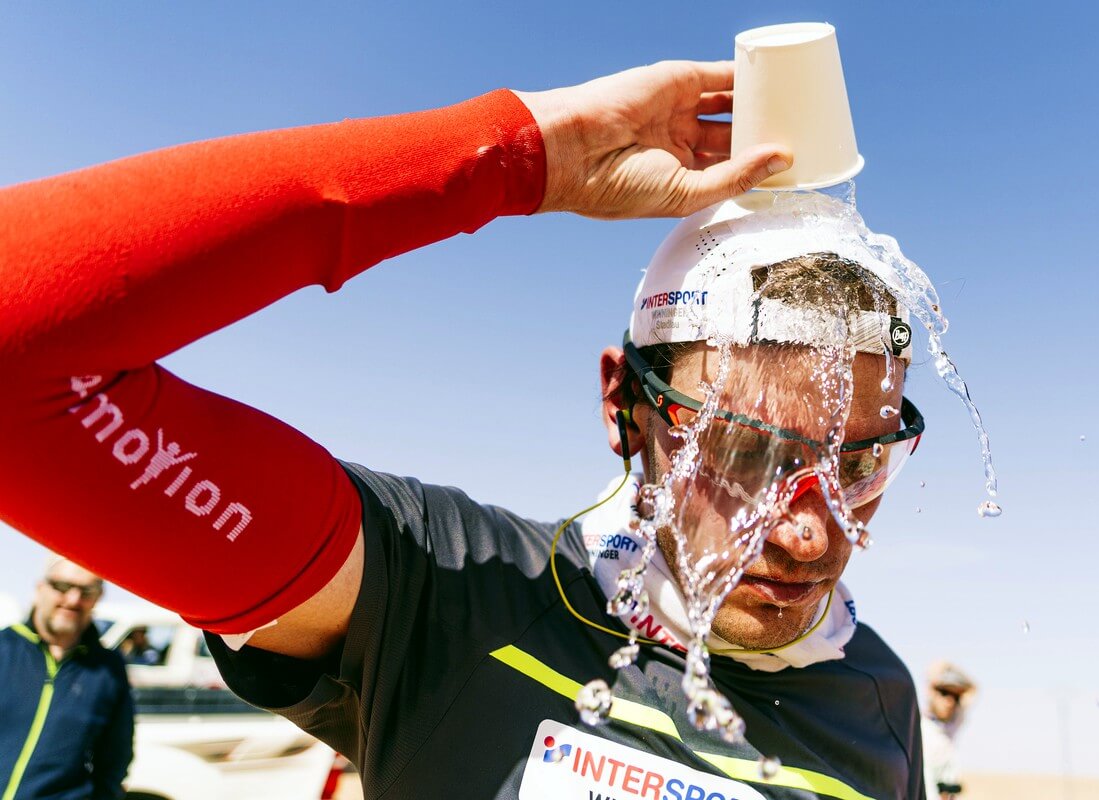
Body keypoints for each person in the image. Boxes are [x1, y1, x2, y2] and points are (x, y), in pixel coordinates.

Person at [0, 60, 927, 798]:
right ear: (627, 412)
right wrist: (526, 153)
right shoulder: (446, 591)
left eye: (860, 462)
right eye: (744, 449)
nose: (813, 530)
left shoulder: (879, 700)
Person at [0, 556, 134, 800]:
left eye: (87, 590)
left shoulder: (108, 670)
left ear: (98, 597)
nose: (73, 600)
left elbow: (115, 759)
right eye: (62, 587)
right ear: (40, 588)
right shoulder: (3, 649)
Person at [921, 662, 976, 799]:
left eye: (955, 697)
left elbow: (972, 690)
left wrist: (952, 667)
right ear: (931, 692)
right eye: (944, 692)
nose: (950, 701)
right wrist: (940, 668)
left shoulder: (952, 725)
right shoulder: (919, 725)